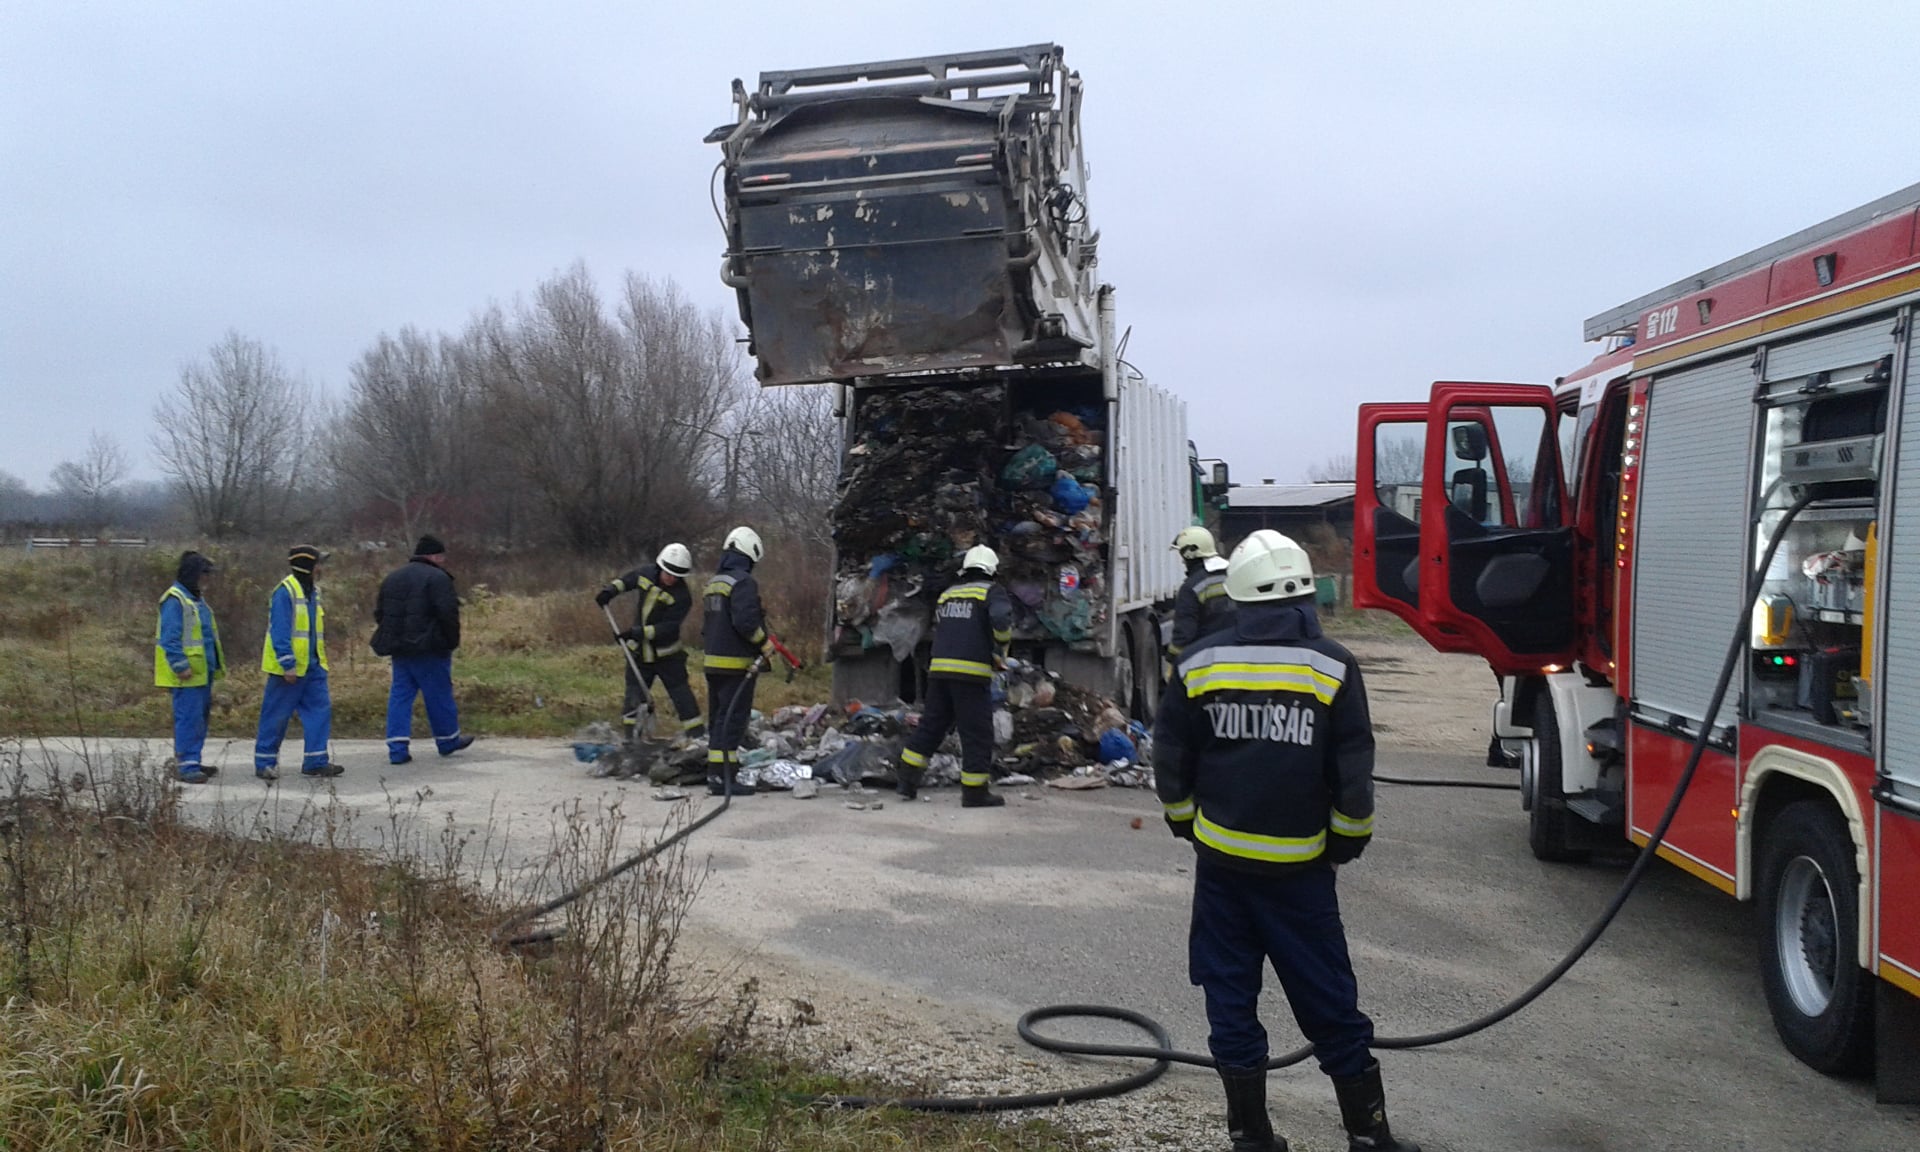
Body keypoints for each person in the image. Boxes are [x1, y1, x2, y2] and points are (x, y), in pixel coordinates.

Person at [1153, 530, 1420, 1152]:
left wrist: (1185, 821)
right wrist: (1347, 839)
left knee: (1229, 999)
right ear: (1305, 597)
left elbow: (1170, 753)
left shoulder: (1199, 664)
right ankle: (1368, 1135)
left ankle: (1251, 1138)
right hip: (1301, 876)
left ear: (1238, 596)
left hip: (1221, 872)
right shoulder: (1333, 665)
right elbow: (1352, 767)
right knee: (1329, 1000)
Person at [896, 544, 1012, 808]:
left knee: (932, 726)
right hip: (970, 674)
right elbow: (1001, 619)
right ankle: (974, 792)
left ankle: (906, 781)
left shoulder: (949, 593)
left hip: (939, 672)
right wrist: (1001, 645)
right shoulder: (991, 591)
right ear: (991, 569)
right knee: (977, 733)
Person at [372, 534, 472, 765]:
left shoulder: (392, 578)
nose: (443, 561)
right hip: (430, 648)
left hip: (400, 649)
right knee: (438, 695)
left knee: (400, 696)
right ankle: (447, 740)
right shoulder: (438, 578)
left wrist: (393, 636)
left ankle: (397, 748)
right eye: (442, 557)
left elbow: (380, 613)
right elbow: (448, 614)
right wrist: (450, 641)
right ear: (434, 556)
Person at [700, 526, 785, 797]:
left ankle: (717, 773)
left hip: (712, 663)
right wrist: (764, 643)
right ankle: (723, 777)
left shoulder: (715, 582)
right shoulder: (743, 582)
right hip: (735, 665)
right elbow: (745, 622)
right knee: (733, 720)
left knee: (718, 719)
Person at [594, 542, 703, 744]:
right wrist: (610, 591)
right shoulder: (646, 574)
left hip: (667, 655)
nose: (671, 579)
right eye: (668, 573)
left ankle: (697, 737)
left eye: (676, 576)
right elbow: (627, 581)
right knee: (633, 696)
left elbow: (668, 628)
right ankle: (631, 740)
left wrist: (635, 633)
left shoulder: (682, 597)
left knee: (682, 696)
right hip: (639, 654)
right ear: (660, 567)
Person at [254, 545, 343, 781]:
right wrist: (287, 663)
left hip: (313, 666)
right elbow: (280, 630)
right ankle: (264, 763)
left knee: (319, 712)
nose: (321, 568)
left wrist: (318, 662)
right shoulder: (285, 592)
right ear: (307, 566)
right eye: (318, 564)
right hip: (289, 669)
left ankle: (316, 761)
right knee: (276, 716)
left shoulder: (313, 591)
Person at [154, 550, 226, 784]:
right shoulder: (175, 599)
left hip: (201, 673)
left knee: (199, 719)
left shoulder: (195, 599)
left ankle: (193, 760)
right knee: (188, 719)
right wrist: (180, 665)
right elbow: (170, 638)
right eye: (204, 573)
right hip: (187, 675)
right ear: (193, 574)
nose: (208, 578)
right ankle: (186, 765)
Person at [1168, 525, 1236, 663]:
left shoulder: (1192, 587)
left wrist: (1173, 658)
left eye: (1182, 555)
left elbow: (1185, 632)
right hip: (1240, 651)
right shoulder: (1236, 573)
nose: (1182, 561)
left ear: (1189, 553)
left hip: (1208, 656)